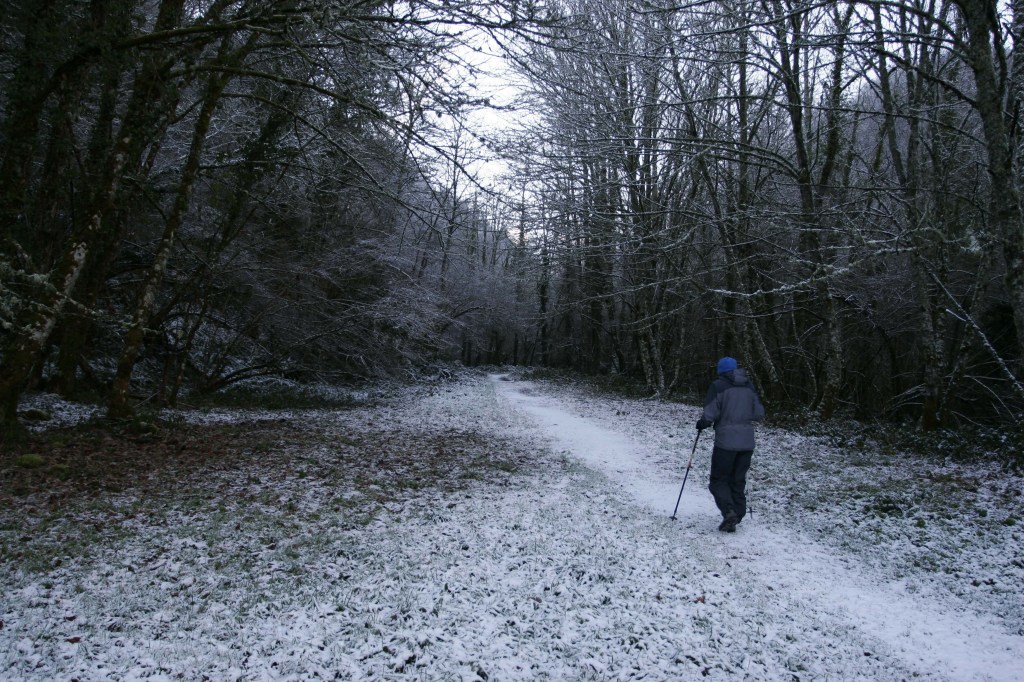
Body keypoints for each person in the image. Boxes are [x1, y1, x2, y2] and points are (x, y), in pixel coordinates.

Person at [696, 356, 766, 532]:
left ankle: (729, 512)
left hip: (726, 442)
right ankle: (738, 512)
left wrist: (703, 423)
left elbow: (711, 412)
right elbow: (759, 413)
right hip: (747, 443)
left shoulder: (718, 386)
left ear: (721, 371)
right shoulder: (749, 386)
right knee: (738, 480)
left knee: (718, 480)